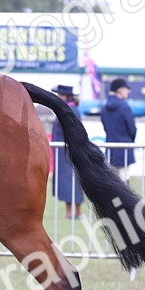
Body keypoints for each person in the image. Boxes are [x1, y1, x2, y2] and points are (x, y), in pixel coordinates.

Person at [50, 84, 84, 219]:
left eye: (60, 95)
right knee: (65, 182)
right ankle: (69, 212)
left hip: (69, 151)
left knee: (73, 181)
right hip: (62, 152)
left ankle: (79, 212)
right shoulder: (65, 109)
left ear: (66, 96)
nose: (58, 97)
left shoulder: (71, 110)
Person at [100, 78, 136, 181]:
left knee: (113, 182)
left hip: (111, 147)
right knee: (124, 182)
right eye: (126, 89)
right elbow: (132, 129)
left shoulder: (104, 108)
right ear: (119, 90)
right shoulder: (125, 107)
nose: (128, 91)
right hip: (125, 147)